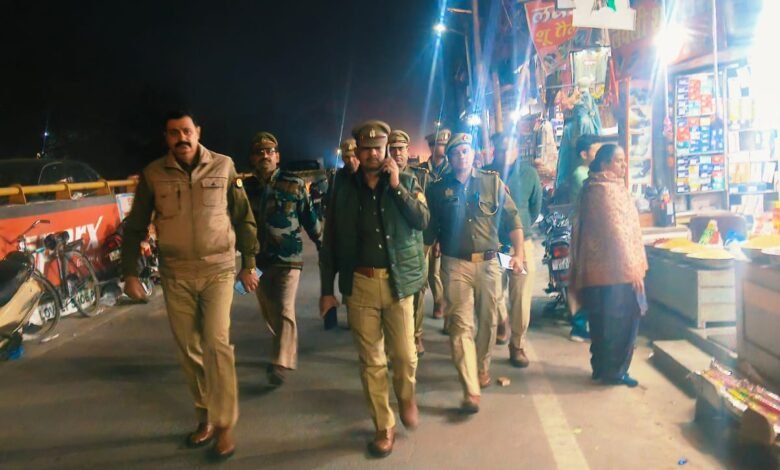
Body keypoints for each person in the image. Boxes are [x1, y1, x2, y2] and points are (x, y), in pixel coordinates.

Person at [122, 111, 260, 460]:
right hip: (176, 274)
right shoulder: (154, 174)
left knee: (216, 343)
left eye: (186, 131)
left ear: (197, 131)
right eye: (173, 133)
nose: (181, 138)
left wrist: (249, 264)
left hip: (218, 271)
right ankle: (206, 416)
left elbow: (243, 217)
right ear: (166, 137)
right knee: (188, 348)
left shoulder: (224, 166)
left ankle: (225, 424)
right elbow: (135, 226)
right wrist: (130, 273)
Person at [319, 120, 429, 457]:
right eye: (365, 149)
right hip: (360, 285)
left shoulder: (407, 180)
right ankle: (384, 425)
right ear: (358, 150)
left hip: (397, 283)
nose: (371, 154)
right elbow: (330, 239)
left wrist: (396, 187)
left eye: (377, 148)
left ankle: (406, 396)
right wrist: (327, 289)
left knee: (405, 356)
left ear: (386, 149)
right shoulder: (342, 186)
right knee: (371, 361)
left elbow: (422, 220)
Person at [426, 132, 524, 413]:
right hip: (455, 264)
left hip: (490, 263)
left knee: (488, 320)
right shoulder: (438, 190)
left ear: (474, 154)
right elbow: (429, 230)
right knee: (460, 325)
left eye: (466, 151)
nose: (461, 156)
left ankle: (481, 366)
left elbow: (513, 219)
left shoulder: (492, 182)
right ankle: (470, 388)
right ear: (449, 157)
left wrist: (518, 254)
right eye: (456, 152)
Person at [244, 132, 322, 386]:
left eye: (270, 152)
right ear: (252, 158)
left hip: (289, 258)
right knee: (270, 310)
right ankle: (284, 344)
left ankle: (280, 361)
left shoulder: (294, 184)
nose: (265, 156)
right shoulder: (245, 189)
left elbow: (309, 217)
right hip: (258, 262)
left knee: (285, 307)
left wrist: (322, 245)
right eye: (260, 152)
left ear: (277, 157)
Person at [570, 144, 648, 388]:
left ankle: (601, 368)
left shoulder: (593, 188)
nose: (623, 165)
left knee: (601, 322)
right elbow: (618, 234)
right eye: (618, 161)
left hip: (597, 271)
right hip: (616, 273)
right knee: (620, 324)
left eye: (624, 160)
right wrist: (633, 271)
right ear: (605, 164)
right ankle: (615, 371)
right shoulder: (605, 191)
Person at [485, 132, 542, 368]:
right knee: (493, 294)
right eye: (499, 150)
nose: (504, 154)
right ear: (493, 151)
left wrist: (521, 227)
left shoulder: (529, 174)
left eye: (508, 149)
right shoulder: (484, 175)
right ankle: (502, 321)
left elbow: (535, 208)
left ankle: (517, 345)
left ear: (517, 150)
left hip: (521, 247)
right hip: (494, 247)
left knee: (520, 298)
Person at [388, 129, 430, 357]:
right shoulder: (380, 176)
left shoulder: (418, 177)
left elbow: (425, 215)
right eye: (393, 149)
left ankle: (417, 334)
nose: (397, 153)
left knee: (418, 291)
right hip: (393, 246)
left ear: (407, 150)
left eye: (401, 149)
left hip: (417, 243)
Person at [568, 134, 603, 342]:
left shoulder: (590, 174)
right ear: (584, 154)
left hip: (589, 231)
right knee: (584, 279)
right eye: (596, 151)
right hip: (584, 232)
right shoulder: (582, 175)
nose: (599, 155)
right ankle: (579, 326)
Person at [420, 128, 452, 321]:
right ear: (432, 147)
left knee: (438, 272)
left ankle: (440, 303)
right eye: (440, 144)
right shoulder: (421, 171)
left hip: (445, 230)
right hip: (424, 229)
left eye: (445, 144)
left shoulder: (452, 170)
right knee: (422, 273)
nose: (443, 148)